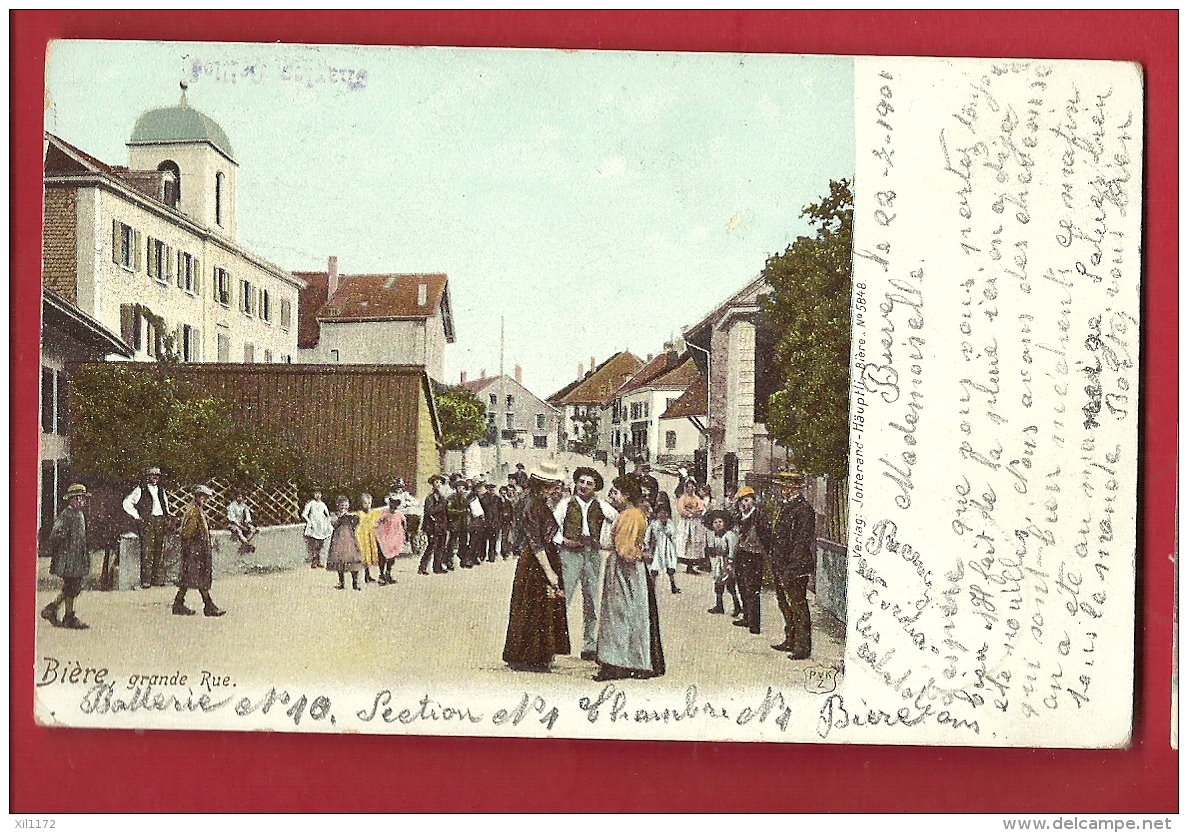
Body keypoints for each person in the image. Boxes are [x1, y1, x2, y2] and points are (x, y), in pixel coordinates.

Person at [594, 474, 665, 681]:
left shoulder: (630, 516)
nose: (612, 496)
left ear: (626, 495)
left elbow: (625, 550)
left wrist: (639, 554)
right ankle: (630, 661)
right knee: (630, 614)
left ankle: (617, 663)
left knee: (619, 614)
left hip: (625, 570)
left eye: (615, 492)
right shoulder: (631, 514)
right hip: (629, 569)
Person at [502, 461, 570, 672]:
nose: (556, 489)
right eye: (553, 485)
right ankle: (531, 656)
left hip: (542, 558)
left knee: (542, 607)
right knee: (535, 607)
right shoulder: (533, 505)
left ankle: (539, 654)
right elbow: (535, 542)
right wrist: (550, 571)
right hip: (536, 562)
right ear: (543, 485)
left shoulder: (537, 502)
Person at [553, 466, 617, 661]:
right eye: (581, 482)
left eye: (589, 484)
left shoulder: (602, 505)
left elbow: (617, 520)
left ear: (595, 488)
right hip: (570, 554)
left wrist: (606, 540)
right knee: (564, 598)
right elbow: (553, 526)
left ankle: (590, 646)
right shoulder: (565, 504)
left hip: (592, 554)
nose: (584, 486)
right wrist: (563, 541)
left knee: (592, 600)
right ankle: (555, 644)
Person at [770, 472, 816, 659]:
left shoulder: (803, 510)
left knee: (798, 606)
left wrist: (791, 568)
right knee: (784, 604)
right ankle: (790, 639)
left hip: (795, 567)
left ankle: (802, 646)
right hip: (782, 565)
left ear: (794, 489)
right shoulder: (786, 507)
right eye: (782, 487)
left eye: (785, 487)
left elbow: (801, 542)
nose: (783, 490)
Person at [40, 483, 93, 629]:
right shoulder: (67, 515)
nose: (83, 502)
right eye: (81, 498)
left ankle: (52, 609)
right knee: (72, 586)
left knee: (72, 587)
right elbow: (55, 535)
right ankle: (68, 616)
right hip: (68, 559)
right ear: (74, 499)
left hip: (77, 558)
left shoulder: (79, 515)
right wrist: (65, 538)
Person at [173, 484, 225, 617]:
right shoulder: (194, 512)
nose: (205, 500)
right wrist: (195, 547)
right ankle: (208, 606)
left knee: (190, 578)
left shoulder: (196, 510)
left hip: (196, 551)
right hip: (195, 551)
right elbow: (187, 533)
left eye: (206, 498)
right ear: (197, 497)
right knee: (198, 578)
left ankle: (179, 604)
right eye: (203, 497)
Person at [122, 465, 172, 589]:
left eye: (156, 476)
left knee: (159, 550)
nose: (154, 479)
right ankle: (146, 580)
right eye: (151, 476)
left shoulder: (161, 490)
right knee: (147, 550)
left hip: (160, 520)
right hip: (148, 522)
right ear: (147, 477)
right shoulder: (141, 489)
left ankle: (157, 579)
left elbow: (165, 504)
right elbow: (127, 503)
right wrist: (137, 516)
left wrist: (167, 515)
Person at [732, 486, 772, 635]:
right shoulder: (740, 516)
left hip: (754, 556)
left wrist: (765, 552)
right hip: (741, 554)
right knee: (741, 585)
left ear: (753, 501)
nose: (743, 503)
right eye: (741, 501)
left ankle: (755, 624)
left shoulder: (759, 517)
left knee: (753, 589)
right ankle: (747, 616)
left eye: (746, 500)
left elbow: (766, 537)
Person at [703, 510, 742, 616]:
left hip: (727, 562)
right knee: (718, 584)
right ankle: (719, 605)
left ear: (725, 523)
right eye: (715, 522)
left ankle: (737, 606)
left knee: (730, 585)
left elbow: (732, 550)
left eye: (720, 522)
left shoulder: (729, 535)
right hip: (719, 562)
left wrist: (730, 562)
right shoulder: (714, 536)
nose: (718, 524)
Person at [646, 492, 681, 595]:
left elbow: (673, 535)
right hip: (658, 547)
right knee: (655, 567)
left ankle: (673, 585)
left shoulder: (669, 523)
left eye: (665, 513)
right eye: (660, 513)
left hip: (668, 547)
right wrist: (648, 546)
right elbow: (649, 535)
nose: (662, 515)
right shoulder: (654, 524)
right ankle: (652, 586)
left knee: (670, 566)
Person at [326, 496, 364, 590]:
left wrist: (350, 517)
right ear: (338, 506)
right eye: (342, 505)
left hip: (349, 540)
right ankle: (341, 582)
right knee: (339, 559)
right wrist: (340, 517)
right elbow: (333, 525)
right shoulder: (335, 516)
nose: (344, 507)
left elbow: (356, 524)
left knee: (352, 558)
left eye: (346, 505)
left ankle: (355, 582)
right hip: (339, 540)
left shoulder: (351, 516)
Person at [674, 478, 707, 574]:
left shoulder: (697, 498)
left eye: (692, 487)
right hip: (686, 522)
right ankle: (684, 562)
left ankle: (691, 565)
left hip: (695, 522)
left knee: (694, 542)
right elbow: (681, 509)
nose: (690, 489)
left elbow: (701, 508)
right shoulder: (683, 498)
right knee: (686, 541)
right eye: (688, 487)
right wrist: (689, 513)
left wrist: (695, 512)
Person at [373, 495, 407, 586]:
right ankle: (381, 574)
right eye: (392, 503)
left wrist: (403, 535)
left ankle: (388, 573)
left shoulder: (399, 514)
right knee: (383, 555)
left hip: (394, 537)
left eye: (395, 504)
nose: (393, 506)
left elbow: (403, 523)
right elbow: (377, 522)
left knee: (392, 556)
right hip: (384, 537)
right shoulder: (385, 512)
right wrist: (377, 531)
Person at [420, 474, 449, 574]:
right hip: (432, 525)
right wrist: (441, 506)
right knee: (431, 546)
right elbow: (429, 511)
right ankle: (422, 568)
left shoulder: (442, 497)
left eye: (440, 482)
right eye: (436, 482)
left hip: (441, 525)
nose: (439, 484)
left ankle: (437, 567)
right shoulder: (430, 497)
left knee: (441, 546)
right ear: (433, 484)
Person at [301, 489, 333, 568]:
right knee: (314, 543)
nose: (318, 495)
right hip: (314, 525)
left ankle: (319, 560)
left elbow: (327, 514)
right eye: (316, 494)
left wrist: (327, 522)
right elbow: (304, 514)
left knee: (321, 543)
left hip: (321, 526)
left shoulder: (322, 504)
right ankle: (314, 560)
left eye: (319, 494)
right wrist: (309, 522)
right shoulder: (311, 503)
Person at [355, 493, 383, 583]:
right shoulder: (359, 514)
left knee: (374, 554)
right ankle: (366, 575)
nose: (367, 505)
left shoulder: (375, 513)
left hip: (372, 536)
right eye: (365, 503)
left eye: (369, 503)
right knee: (365, 555)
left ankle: (380, 574)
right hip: (363, 537)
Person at [445, 475, 470, 571]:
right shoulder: (451, 498)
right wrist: (461, 512)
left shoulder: (466, 498)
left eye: (463, 488)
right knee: (452, 543)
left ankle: (463, 560)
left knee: (464, 542)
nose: (461, 490)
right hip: (454, 523)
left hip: (464, 523)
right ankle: (449, 562)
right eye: (459, 488)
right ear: (456, 488)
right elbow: (449, 510)